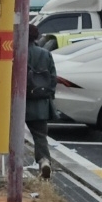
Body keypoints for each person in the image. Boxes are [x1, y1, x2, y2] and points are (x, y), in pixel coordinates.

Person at [25, 23, 57, 179]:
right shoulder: (45, 54)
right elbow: (53, 79)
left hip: (20, 103)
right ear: (36, 36)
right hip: (40, 103)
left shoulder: (17, 52)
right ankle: (44, 161)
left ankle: (13, 164)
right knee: (40, 136)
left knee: (12, 136)